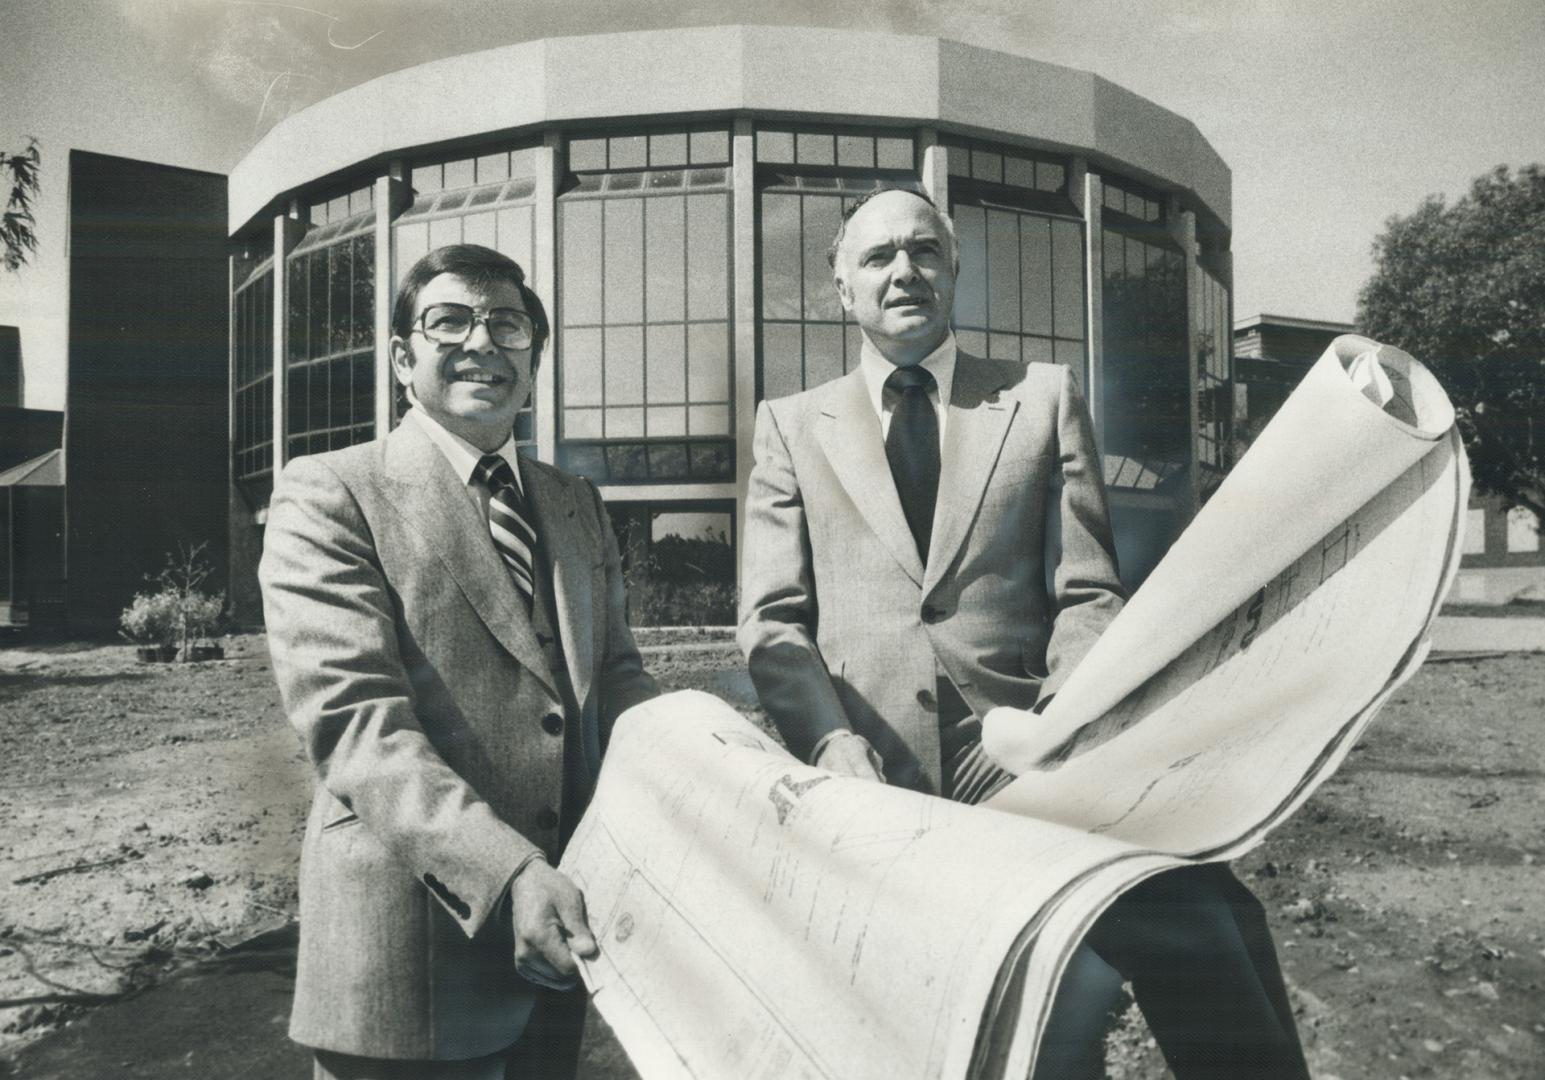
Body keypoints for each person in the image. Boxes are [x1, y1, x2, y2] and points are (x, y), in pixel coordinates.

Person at [737, 188, 1309, 1079]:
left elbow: (1086, 591)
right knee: (943, 1030)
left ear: (955, 269)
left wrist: (1059, 721)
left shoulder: (1040, 398)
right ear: (838, 286)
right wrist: (829, 739)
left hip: (1032, 760)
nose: (904, 272)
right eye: (879, 256)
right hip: (872, 777)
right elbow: (773, 624)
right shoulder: (786, 425)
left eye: (924, 251)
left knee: (1199, 931)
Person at [260, 244, 658, 1080]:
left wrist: (712, 766)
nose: (483, 341)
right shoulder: (331, 491)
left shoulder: (573, 502)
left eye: (507, 324)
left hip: (558, 950)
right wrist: (509, 870)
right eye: (450, 320)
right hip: (407, 967)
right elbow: (357, 723)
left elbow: (618, 684)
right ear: (404, 358)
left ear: (533, 360)